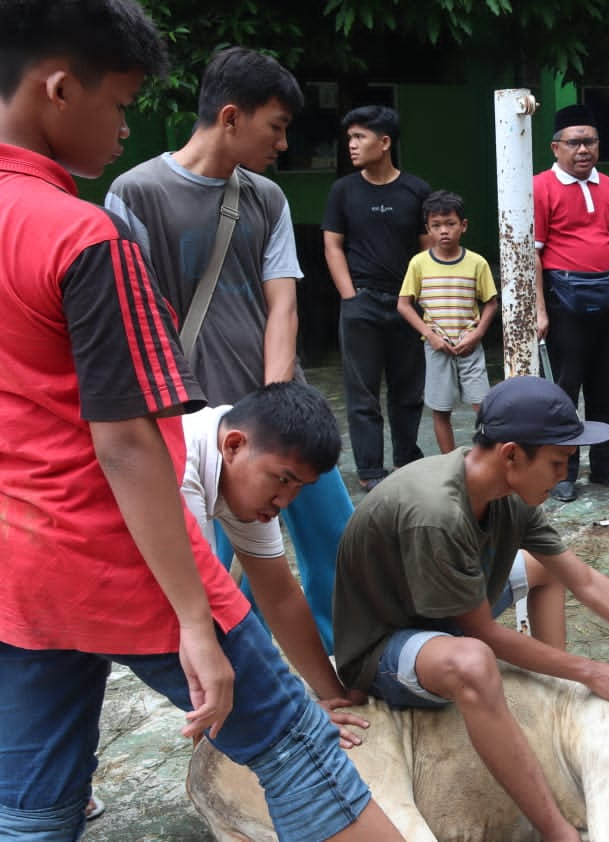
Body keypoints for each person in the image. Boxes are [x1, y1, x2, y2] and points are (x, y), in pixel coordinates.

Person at [0, 2, 400, 838]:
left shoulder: (249, 201)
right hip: (118, 551)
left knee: (34, 808)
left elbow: (279, 578)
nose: (124, 125)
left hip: (19, 568)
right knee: (299, 752)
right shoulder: (84, 231)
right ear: (59, 88)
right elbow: (123, 441)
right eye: (116, 103)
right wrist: (193, 617)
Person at [333, 376, 609, 842]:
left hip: (439, 613)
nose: (565, 475)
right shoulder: (436, 511)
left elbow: (584, 580)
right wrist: (591, 671)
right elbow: (483, 636)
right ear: (512, 454)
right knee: (473, 663)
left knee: (546, 568)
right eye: (558, 463)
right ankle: (557, 832)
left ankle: (550, 691)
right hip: (384, 647)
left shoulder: (506, 494)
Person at [107, 46, 349, 652]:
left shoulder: (266, 198)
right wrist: (177, 419)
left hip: (274, 410)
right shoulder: (135, 194)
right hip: (188, 429)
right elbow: (128, 322)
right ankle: (246, 687)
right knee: (213, 577)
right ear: (232, 117)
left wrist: (274, 406)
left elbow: (283, 307)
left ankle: (349, 657)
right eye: (278, 126)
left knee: (337, 543)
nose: (283, 143)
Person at [180, 383, 369, 748]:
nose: (285, 501)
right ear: (233, 445)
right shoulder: (180, 469)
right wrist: (296, 710)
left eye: (299, 488)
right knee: (214, 660)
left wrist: (334, 698)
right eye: (283, 480)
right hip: (65, 568)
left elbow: (280, 597)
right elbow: (198, 613)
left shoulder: (243, 477)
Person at [533, 103, 609, 501]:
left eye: (590, 141)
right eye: (575, 142)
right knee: (565, 388)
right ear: (555, 147)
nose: (583, 150)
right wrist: (540, 310)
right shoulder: (539, 187)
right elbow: (533, 254)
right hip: (564, 301)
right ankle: (563, 472)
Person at [323, 104, 432, 493]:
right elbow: (333, 246)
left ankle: (406, 461)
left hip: (406, 304)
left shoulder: (416, 191)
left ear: (384, 142)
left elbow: (427, 252)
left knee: (409, 389)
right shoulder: (343, 191)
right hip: (361, 304)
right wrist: (350, 297)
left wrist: (420, 299)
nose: (351, 145)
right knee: (362, 392)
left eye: (359, 137)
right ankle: (370, 470)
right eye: (349, 137)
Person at [396, 189, 498, 454]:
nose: (444, 231)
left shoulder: (477, 263)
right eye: (436, 225)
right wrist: (430, 336)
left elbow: (491, 303)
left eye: (450, 224)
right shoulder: (419, 264)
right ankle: (449, 463)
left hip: (470, 346)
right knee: (440, 409)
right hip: (436, 347)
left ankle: (484, 459)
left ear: (463, 226)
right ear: (427, 229)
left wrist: (476, 335)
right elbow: (404, 305)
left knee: (484, 407)